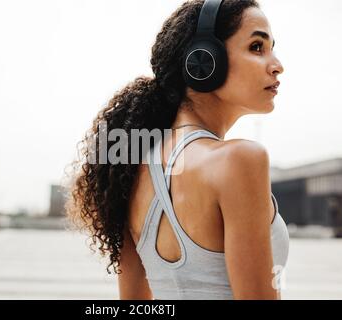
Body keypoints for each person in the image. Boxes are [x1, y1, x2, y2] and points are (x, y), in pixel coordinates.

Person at [66, 0, 289, 300]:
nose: (277, 65)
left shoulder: (131, 165)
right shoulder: (240, 160)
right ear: (205, 60)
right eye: (257, 47)